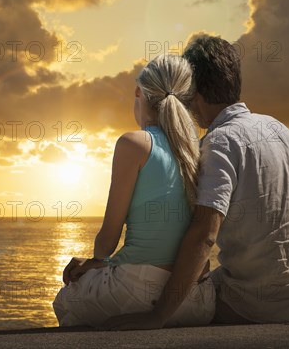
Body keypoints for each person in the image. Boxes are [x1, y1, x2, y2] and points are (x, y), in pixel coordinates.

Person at [104, 34, 289, 330]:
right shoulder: (283, 130)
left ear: (195, 91)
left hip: (263, 306)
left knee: (181, 293)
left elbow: (205, 234)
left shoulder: (220, 142)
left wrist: (157, 316)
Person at [52, 54, 216, 328]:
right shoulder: (198, 150)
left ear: (139, 93)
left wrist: (97, 261)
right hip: (196, 299)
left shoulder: (134, 144)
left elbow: (109, 236)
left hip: (136, 293)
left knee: (67, 299)